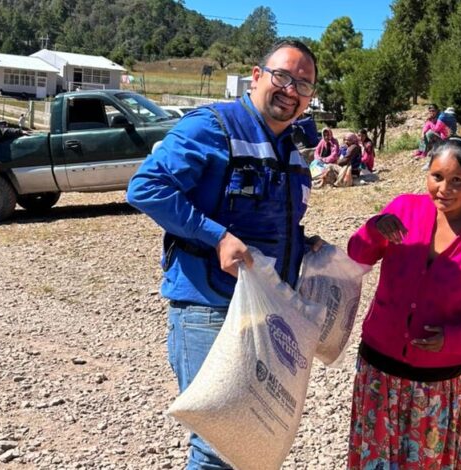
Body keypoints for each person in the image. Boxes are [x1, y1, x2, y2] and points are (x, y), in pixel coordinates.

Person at [126, 40, 322, 470]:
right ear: (256, 76)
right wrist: (215, 237)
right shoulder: (212, 126)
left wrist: (306, 245)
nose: (292, 90)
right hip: (209, 308)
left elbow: (271, 222)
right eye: (283, 77)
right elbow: (145, 189)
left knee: (251, 438)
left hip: (265, 314)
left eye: (303, 84)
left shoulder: (289, 148)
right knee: (217, 445)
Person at [346, 136, 461, 469]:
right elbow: (357, 254)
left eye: (458, 181)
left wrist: (455, 339)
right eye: (437, 177)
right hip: (379, 369)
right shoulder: (403, 209)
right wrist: (374, 230)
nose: (445, 189)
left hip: (439, 382)